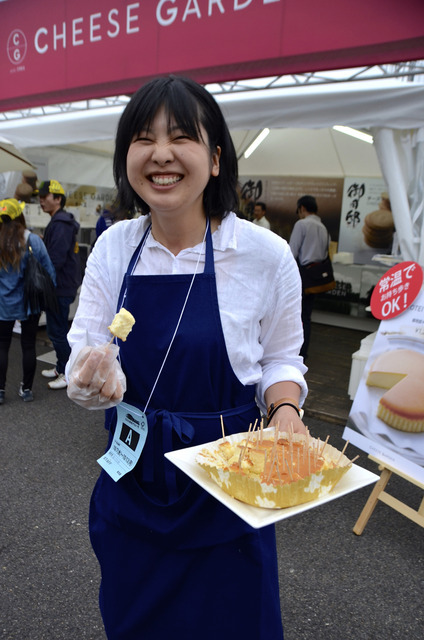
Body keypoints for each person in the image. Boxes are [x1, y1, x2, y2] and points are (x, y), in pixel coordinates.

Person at [65, 76, 308, 640]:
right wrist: (87, 380)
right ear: (127, 155)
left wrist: (285, 411)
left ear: (216, 158)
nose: (161, 154)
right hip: (135, 478)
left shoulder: (264, 256)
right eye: (143, 138)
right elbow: (84, 346)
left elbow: (281, 359)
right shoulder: (114, 247)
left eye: (181, 137)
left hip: (228, 485)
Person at [0, 198, 56, 404]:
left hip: (3, 303)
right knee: (28, 346)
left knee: (2, 346)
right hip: (29, 302)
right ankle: (26, 389)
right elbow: (49, 271)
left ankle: (0, 390)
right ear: (20, 217)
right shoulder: (32, 240)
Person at [38, 179, 80, 390]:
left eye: (44, 197)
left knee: (57, 331)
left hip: (58, 287)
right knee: (58, 328)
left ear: (58, 199)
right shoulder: (59, 222)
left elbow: (56, 260)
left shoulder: (61, 224)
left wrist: (44, 284)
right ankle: (60, 366)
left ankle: (67, 372)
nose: (41, 201)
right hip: (59, 286)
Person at [289, 195, 331, 359]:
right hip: (316, 276)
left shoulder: (302, 224)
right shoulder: (323, 227)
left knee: (295, 314)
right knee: (306, 315)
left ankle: (295, 351)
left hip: (302, 274)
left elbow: (292, 252)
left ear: (302, 208)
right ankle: (303, 351)